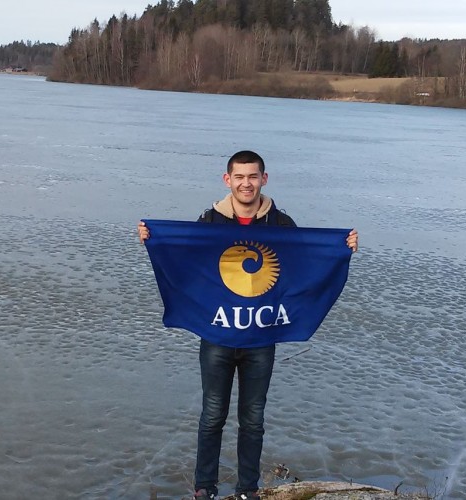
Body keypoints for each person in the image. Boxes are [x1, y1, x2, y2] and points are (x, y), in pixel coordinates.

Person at [138, 150, 358, 499]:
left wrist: (340, 249)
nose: (246, 183)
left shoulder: (281, 224)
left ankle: (247, 490)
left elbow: (304, 265)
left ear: (263, 179)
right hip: (217, 336)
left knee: (253, 419)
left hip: (261, 339)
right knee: (213, 415)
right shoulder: (210, 221)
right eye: (239, 177)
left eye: (253, 176)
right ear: (228, 180)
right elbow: (187, 263)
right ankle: (204, 487)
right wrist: (156, 240)